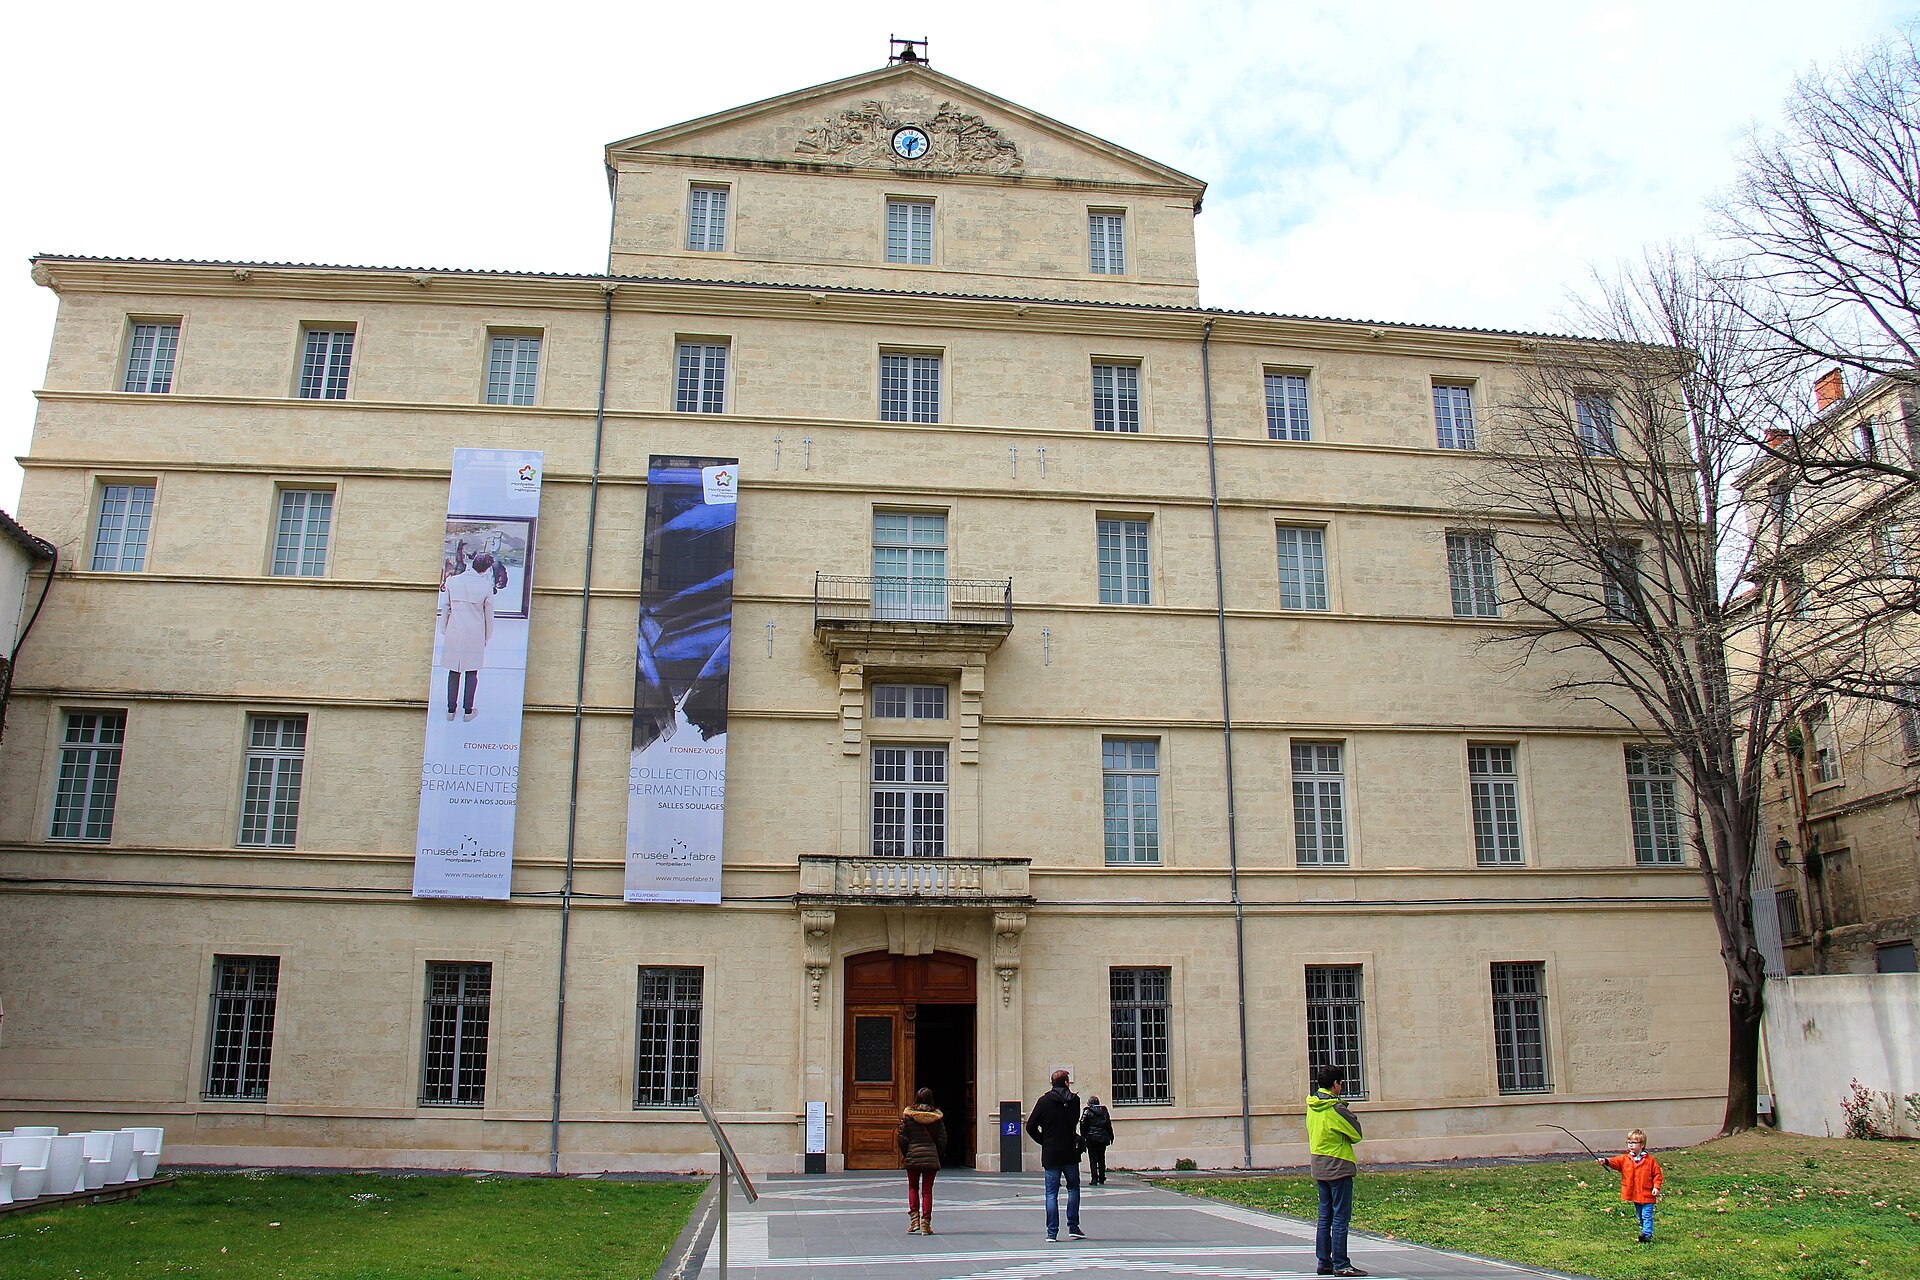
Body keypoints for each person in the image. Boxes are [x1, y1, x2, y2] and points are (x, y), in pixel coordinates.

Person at [1307, 1064, 1366, 1278]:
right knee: (1341, 1216)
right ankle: (1341, 1263)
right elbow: (1357, 1134)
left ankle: (1324, 1262)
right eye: (1340, 1083)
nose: (1341, 1087)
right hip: (1339, 1164)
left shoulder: (1312, 1105)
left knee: (1325, 1215)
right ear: (1335, 1084)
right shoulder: (1336, 1108)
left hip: (1319, 1163)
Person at [1026, 1068, 1085, 1242]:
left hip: (1051, 1152)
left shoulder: (1043, 1101)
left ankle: (1052, 1232)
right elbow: (1074, 1122)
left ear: (1052, 1083)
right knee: (1073, 1188)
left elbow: (1030, 1126)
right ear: (1067, 1083)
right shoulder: (1074, 1101)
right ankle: (1073, 1227)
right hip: (1070, 1152)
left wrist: (1044, 1140)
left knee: (1051, 1193)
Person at [440, 551, 496, 722]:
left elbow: (446, 607)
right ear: (486, 569)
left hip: (454, 629)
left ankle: (451, 711)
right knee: (472, 671)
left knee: (453, 670)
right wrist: (487, 635)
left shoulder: (453, 581)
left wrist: (444, 629)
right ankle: (468, 711)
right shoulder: (486, 586)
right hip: (475, 631)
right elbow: (489, 614)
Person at [1597, 1128, 1663, 1243]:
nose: (1630, 1145)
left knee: (1646, 1215)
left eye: (1634, 1143)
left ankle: (1647, 1234)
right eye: (1629, 1142)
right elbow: (1615, 1162)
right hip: (1634, 1194)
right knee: (1640, 1215)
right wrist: (1605, 1161)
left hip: (1647, 1194)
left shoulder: (1650, 1161)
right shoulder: (1625, 1159)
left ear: (1642, 1145)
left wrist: (1656, 1187)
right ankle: (1644, 1230)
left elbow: (1657, 1175)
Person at [897, 1087, 946, 1236]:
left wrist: (906, 1153)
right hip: (930, 1157)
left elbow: (902, 1138)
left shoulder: (908, 1116)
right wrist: (935, 1153)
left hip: (913, 1156)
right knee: (927, 1191)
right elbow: (942, 1139)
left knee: (912, 1187)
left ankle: (914, 1221)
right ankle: (926, 1224)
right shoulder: (936, 1118)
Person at [1080, 1094, 1114, 1185]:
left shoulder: (1087, 1111)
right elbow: (1108, 1125)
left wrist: (1083, 1136)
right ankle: (1102, 1177)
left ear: (1089, 1103)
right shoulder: (1104, 1111)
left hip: (1091, 1138)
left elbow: (1083, 1124)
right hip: (1103, 1137)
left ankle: (1094, 1178)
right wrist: (1111, 1136)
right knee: (1101, 1158)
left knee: (1093, 1159)